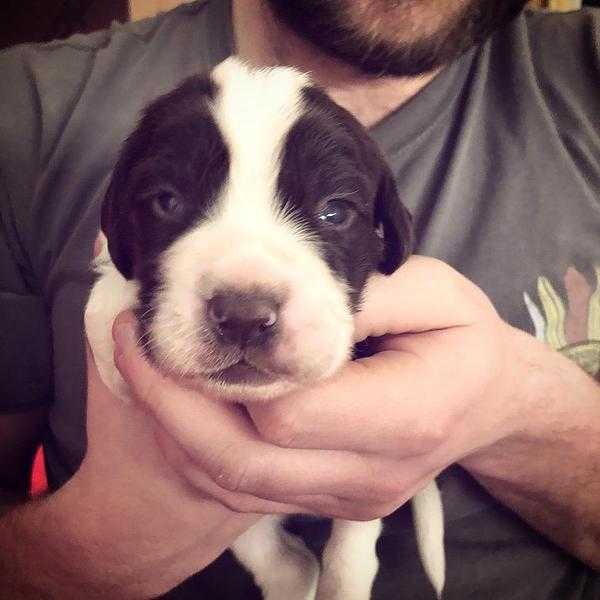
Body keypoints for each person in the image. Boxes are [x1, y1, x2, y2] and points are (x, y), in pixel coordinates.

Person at [1, 0, 599, 598]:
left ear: (393, 236)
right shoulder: (22, 107)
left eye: (334, 211)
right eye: (167, 202)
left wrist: (516, 407)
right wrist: (87, 553)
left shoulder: (583, 72)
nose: (244, 309)